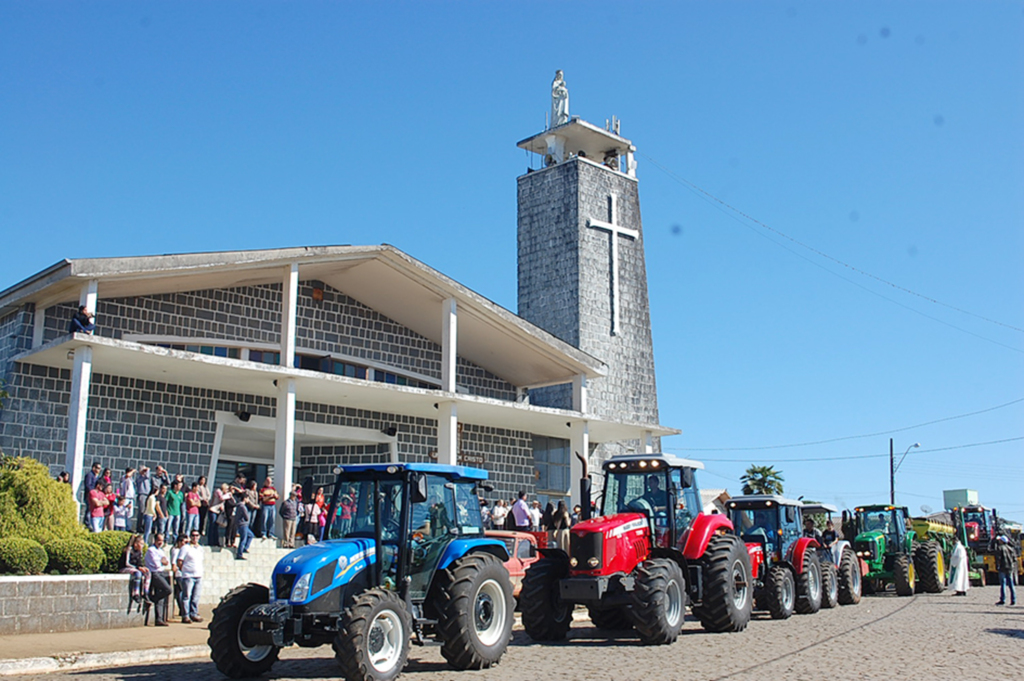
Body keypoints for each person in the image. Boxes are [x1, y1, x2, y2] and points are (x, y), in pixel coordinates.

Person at [177, 530, 204, 623]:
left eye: (197, 535)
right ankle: (185, 615)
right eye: (193, 535)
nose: (195, 537)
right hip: (188, 576)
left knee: (196, 596)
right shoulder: (185, 548)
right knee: (186, 596)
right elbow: (179, 561)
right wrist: (184, 570)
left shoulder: (200, 548)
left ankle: (194, 613)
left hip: (198, 575)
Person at [145, 533, 172, 626]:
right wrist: (162, 561)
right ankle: (153, 599)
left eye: (162, 540)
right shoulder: (151, 550)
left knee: (162, 596)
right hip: (154, 573)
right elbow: (157, 564)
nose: (160, 542)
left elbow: (166, 561)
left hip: (161, 572)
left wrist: (163, 561)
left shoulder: (160, 551)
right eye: (159, 540)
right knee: (168, 589)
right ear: (155, 540)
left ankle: (159, 619)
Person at [121, 534, 149, 602]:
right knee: (138, 573)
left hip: (135, 568)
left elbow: (139, 562)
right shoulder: (129, 550)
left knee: (148, 573)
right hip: (125, 568)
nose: (142, 546)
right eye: (141, 544)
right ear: (136, 544)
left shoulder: (140, 552)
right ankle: (135, 593)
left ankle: (145, 592)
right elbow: (127, 563)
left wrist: (143, 567)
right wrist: (138, 568)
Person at [994, 535, 1017, 606]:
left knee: (1003, 584)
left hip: (1002, 567)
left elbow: (998, 558)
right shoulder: (1011, 549)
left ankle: (1002, 600)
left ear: (1002, 541)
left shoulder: (1000, 548)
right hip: (1010, 568)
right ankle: (1013, 600)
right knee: (1011, 584)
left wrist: (998, 566)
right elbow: (1014, 559)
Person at [208, 483, 230, 547]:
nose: (227, 490)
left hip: (218, 511)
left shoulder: (224, 494)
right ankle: (211, 541)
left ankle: (216, 542)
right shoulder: (218, 491)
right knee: (212, 526)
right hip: (212, 510)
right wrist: (228, 495)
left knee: (216, 527)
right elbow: (221, 498)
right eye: (226, 489)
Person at [234, 491, 254, 560]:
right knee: (243, 539)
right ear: (245, 498)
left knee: (251, 535)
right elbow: (246, 517)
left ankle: (245, 548)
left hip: (241, 524)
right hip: (243, 524)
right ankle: (240, 554)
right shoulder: (242, 507)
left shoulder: (238, 506)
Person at [135, 466, 152, 533]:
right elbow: (145, 476)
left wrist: (147, 470)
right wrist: (145, 470)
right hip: (142, 494)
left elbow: (147, 476)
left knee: (146, 511)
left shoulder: (147, 478)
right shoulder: (139, 477)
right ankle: (139, 527)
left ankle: (145, 526)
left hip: (147, 495)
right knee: (141, 511)